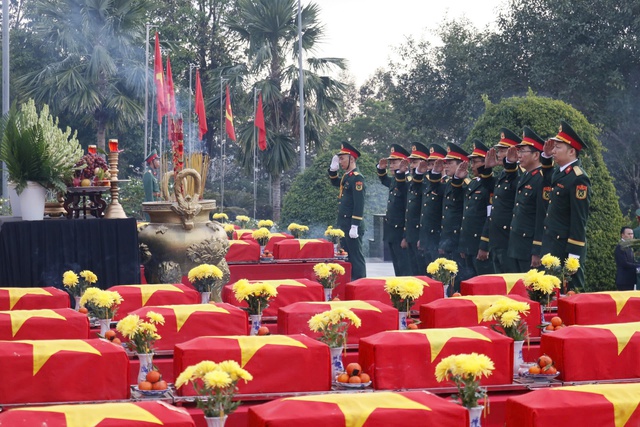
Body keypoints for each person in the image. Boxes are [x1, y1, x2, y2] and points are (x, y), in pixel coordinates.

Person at [541, 121, 591, 290]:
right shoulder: (560, 172)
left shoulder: (578, 178)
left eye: (558, 147)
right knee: (550, 297)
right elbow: (545, 178)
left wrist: (573, 255)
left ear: (571, 151)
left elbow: (579, 218)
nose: (553, 150)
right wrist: (546, 157)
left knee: (570, 294)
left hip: (566, 249)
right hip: (552, 245)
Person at [508, 127, 550, 272]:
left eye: (523, 151)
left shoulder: (541, 179)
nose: (519, 155)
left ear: (536, 155)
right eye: (518, 151)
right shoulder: (525, 176)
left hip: (529, 248)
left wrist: (537, 249)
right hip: (517, 245)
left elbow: (542, 216)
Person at [482, 128, 521, 273]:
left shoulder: (518, 175)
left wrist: (511, 165)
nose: (498, 154)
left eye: (502, 150)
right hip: (496, 238)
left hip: (508, 239)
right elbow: (488, 187)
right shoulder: (503, 175)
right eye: (498, 150)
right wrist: (487, 169)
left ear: (514, 153)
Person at [328, 142, 367, 280]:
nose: (340, 161)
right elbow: (335, 182)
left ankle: (360, 283)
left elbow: (359, 204)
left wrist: (355, 225)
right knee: (347, 256)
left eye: (342, 158)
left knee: (356, 258)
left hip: (352, 225)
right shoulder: (347, 176)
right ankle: (352, 283)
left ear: (352, 158)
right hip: (345, 224)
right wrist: (333, 170)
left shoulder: (357, 178)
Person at [458, 140, 495, 276]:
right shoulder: (472, 184)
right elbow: (466, 215)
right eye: (472, 162)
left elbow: (489, 216)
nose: (472, 166)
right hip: (469, 245)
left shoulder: (490, 185)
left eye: (476, 162)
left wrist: (484, 245)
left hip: (480, 245)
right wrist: (463, 245)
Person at [436, 143, 470, 291]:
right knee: (450, 282)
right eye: (446, 163)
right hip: (449, 240)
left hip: (459, 240)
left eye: (450, 163)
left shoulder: (466, 184)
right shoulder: (449, 184)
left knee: (460, 282)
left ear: (461, 165)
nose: (446, 166)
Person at [378, 144, 411, 276]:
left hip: (401, 232)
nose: (391, 165)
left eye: (394, 162)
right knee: (397, 269)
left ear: (404, 164)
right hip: (392, 232)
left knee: (405, 269)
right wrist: (381, 169)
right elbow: (384, 179)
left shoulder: (408, 182)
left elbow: (409, 212)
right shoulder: (394, 181)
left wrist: (405, 236)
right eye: (390, 162)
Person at [416, 144, 448, 269]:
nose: (432, 167)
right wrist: (422, 238)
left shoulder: (448, 184)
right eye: (430, 163)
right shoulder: (428, 184)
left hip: (439, 238)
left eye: (435, 163)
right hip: (427, 238)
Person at [403, 142, 430, 275]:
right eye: (411, 163)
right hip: (412, 235)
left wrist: (422, 237)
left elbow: (424, 213)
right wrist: (406, 236)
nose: (412, 166)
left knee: (424, 273)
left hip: (421, 236)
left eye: (415, 162)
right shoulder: (414, 182)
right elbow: (409, 211)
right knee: (415, 273)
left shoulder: (427, 182)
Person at [615, 226, 640, 291]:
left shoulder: (629, 247)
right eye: (629, 234)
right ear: (622, 235)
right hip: (624, 281)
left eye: (632, 234)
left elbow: (632, 262)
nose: (631, 236)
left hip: (630, 280)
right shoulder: (620, 247)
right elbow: (624, 263)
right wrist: (638, 265)